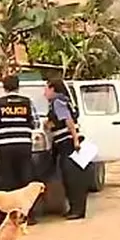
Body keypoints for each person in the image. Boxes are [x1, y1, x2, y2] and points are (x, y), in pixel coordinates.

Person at [0, 74, 42, 222]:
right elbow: (36, 123)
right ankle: (28, 216)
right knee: (25, 179)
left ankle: (7, 216)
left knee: (8, 180)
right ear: (18, 86)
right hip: (24, 144)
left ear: (4, 87)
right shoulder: (27, 102)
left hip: (6, 145)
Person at [44, 79, 89, 220]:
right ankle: (75, 209)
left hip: (68, 143)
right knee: (73, 176)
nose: (44, 93)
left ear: (53, 89)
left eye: (46, 89)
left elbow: (68, 121)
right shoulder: (63, 101)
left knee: (72, 178)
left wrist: (75, 140)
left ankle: (77, 210)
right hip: (66, 143)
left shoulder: (58, 102)